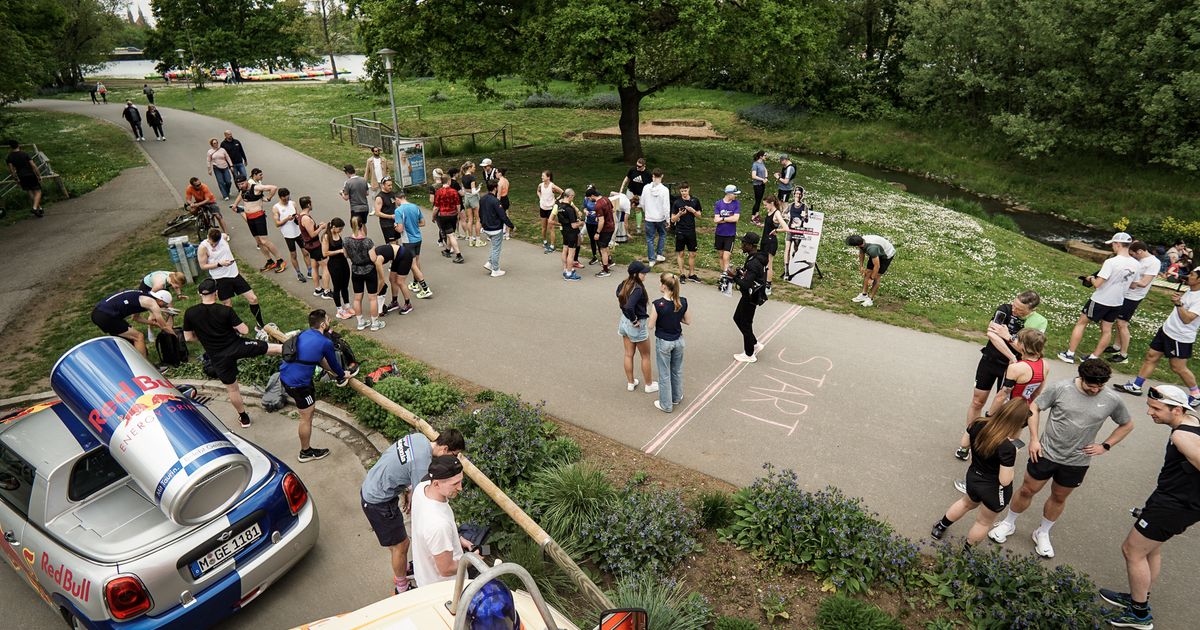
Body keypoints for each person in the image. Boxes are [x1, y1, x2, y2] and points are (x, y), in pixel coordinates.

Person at [987, 359, 1134, 558]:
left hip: (1077, 461)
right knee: (1028, 490)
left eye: (1100, 386)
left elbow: (1127, 424)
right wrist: (1034, 439)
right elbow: (1034, 408)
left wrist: (1105, 445)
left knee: (1059, 497)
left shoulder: (1112, 399)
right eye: (1091, 385)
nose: (1095, 390)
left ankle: (1042, 532)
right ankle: (1008, 523)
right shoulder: (1061, 388)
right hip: (1045, 453)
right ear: (1081, 377)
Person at [1099, 385, 1200, 630]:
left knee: (1132, 550)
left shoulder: (1181, 436)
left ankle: (1140, 614)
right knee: (1150, 550)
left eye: (1156, 408)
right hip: (1172, 500)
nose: (1149, 412)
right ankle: (1139, 596)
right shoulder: (1193, 422)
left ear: (1177, 410)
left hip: (1174, 505)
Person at [361, 430, 467, 594]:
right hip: (378, 501)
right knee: (400, 546)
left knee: (400, 544)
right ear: (445, 449)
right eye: (454, 455)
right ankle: (401, 587)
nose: (453, 459)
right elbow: (423, 501)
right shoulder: (422, 464)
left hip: (373, 484)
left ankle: (405, 567)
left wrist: (408, 490)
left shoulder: (419, 439)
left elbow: (406, 466)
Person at [183, 278, 282, 428]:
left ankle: (244, 418)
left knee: (232, 389)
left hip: (218, 356)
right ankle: (300, 359)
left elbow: (188, 337)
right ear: (216, 292)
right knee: (273, 348)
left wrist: (203, 336)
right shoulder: (225, 310)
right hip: (238, 346)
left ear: (199, 293)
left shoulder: (190, 313)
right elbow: (245, 330)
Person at [957, 291, 1043, 460]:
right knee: (977, 401)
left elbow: (1030, 349)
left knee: (1002, 407)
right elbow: (992, 335)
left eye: (1019, 309)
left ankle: (990, 445)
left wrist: (1007, 337)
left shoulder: (1037, 322)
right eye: (1014, 305)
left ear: (1032, 310)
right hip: (991, 361)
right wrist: (1012, 355)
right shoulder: (1004, 310)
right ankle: (970, 441)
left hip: (1013, 370)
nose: (1014, 310)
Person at [931, 398, 1030, 544]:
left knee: (965, 503)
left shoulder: (978, 423)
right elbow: (1005, 480)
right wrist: (1012, 456)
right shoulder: (1007, 448)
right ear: (1018, 424)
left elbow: (964, 443)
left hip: (974, 477)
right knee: (983, 522)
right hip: (993, 489)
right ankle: (966, 551)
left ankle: (940, 526)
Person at [1114, 267, 1200, 407]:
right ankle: (1136, 386)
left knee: (1177, 367)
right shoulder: (1191, 290)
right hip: (1166, 330)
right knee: (1151, 356)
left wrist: (1178, 304)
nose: (1188, 276)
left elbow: (1187, 319)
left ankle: (1196, 394)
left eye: (1192, 274)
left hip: (1180, 337)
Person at [1058, 232, 1140, 364]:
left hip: (1100, 299)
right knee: (1107, 330)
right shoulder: (1136, 264)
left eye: (1113, 244)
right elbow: (1134, 285)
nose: (1112, 247)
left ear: (1118, 244)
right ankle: (1094, 357)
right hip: (1117, 302)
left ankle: (1070, 354)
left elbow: (1097, 284)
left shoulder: (1111, 262)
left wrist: (1091, 278)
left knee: (1081, 323)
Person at [279, 309, 349, 462]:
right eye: (328, 320)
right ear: (323, 324)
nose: (329, 322)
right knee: (306, 417)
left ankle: (306, 450)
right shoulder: (325, 342)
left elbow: (320, 359)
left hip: (286, 375)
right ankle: (305, 452)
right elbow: (333, 364)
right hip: (299, 385)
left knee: (307, 413)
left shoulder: (305, 334)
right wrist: (343, 374)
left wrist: (337, 373)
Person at [410, 455, 474, 587]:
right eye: (455, 484)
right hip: (445, 588)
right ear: (436, 484)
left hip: (424, 576)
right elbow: (446, 570)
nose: (460, 488)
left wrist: (457, 539)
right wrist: (473, 559)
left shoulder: (421, 488)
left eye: (460, 481)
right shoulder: (439, 525)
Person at [197, 228, 268, 333]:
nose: (214, 245)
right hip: (220, 278)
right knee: (228, 305)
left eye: (216, 243)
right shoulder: (203, 247)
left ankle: (260, 325)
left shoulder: (223, 237)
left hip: (234, 274)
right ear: (208, 237)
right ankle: (231, 329)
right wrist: (219, 264)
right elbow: (203, 266)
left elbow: (225, 236)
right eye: (212, 244)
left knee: (253, 298)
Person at [1108, 241, 1165, 364]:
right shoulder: (1139, 260)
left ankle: (1123, 355)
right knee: (1118, 321)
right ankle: (1116, 347)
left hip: (1133, 297)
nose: (1133, 257)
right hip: (1125, 293)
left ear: (1140, 251)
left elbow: (1144, 283)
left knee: (1122, 323)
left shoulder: (1154, 262)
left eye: (1133, 254)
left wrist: (1126, 278)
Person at [90, 288, 175, 358]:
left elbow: (135, 318)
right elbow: (165, 327)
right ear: (160, 300)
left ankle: (135, 364)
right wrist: (175, 336)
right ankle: (144, 368)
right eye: (164, 304)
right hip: (106, 315)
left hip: (99, 313)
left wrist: (153, 323)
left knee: (130, 342)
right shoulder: (152, 302)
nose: (163, 307)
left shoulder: (143, 296)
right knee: (138, 337)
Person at [649, 272, 690, 413]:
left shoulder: (658, 304)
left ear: (664, 287)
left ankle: (666, 404)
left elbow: (651, 325)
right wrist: (675, 317)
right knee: (676, 370)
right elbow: (688, 321)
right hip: (678, 340)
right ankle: (676, 397)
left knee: (664, 373)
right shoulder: (682, 301)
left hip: (664, 341)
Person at [230, 171, 286, 272]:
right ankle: (269, 261)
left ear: (246, 181)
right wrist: (235, 204)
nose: (241, 186)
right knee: (259, 242)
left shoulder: (255, 188)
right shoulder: (243, 190)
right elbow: (241, 195)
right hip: (250, 218)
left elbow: (273, 188)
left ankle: (280, 260)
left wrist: (269, 198)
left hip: (258, 217)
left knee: (264, 241)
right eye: (239, 184)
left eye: (242, 183)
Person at [618, 261, 657, 392]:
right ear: (635, 274)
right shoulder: (638, 289)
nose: (645, 275)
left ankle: (631, 383)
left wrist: (627, 314)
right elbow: (629, 306)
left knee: (628, 354)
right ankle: (649, 385)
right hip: (635, 324)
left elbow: (619, 297)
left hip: (624, 322)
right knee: (645, 356)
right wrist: (634, 320)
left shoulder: (624, 283)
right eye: (642, 273)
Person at [731, 233, 769, 363]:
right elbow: (752, 277)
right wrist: (741, 273)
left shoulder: (753, 263)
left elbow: (746, 284)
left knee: (746, 324)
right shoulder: (756, 257)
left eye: (744, 243)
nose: (742, 245)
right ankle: (754, 343)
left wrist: (734, 277)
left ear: (750, 245)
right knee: (737, 318)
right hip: (750, 295)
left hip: (751, 296)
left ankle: (749, 354)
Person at [344, 217, 384, 330]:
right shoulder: (367, 241)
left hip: (356, 270)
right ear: (362, 225)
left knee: (357, 298)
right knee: (372, 298)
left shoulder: (346, 241)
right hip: (369, 270)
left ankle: (360, 322)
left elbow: (346, 255)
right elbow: (373, 258)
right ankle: (375, 322)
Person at [394, 191, 432, 298]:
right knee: (416, 261)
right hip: (418, 238)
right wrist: (413, 225)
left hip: (408, 240)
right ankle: (415, 283)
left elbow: (400, 229)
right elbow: (423, 223)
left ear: (397, 199)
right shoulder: (415, 207)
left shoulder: (398, 210)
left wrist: (395, 226)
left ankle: (425, 288)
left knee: (412, 264)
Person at [847, 234, 896, 308]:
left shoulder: (872, 249)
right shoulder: (862, 241)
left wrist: (871, 278)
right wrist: (861, 266)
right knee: (867, 272)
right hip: (877, 251)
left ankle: (870, 299)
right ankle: (864, 295)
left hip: (886, 255)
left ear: (857, 245)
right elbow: (862, 252)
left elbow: (877, 266)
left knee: (877, 276)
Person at [272, 188, 309, 283]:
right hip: (288, 235)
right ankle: (299, 273)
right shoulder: (276, 208)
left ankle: (310, 271)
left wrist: (297, 217)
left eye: (288, 197)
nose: (286, 200)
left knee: (306, 252)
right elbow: (277, 224)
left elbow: (298, 215)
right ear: (280, 197)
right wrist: (286, 219)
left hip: (298, 232)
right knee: (293, 254)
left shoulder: (293, 203)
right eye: (284, 198)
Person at [480, 180, 513, 277]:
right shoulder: (495, 201)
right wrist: (511, 226)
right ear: (495, 188)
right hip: (495, 228)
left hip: (486, 227)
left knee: (494, 247)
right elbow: (503, 215)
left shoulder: (482, 199)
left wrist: (482, 224)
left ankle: (490, 263)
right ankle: (495, 270)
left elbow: (480, 213)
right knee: (496, 249)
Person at [372, 241, 414, 317]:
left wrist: (377, 294)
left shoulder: (377, 260)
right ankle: (395, 302)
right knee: (392, 279)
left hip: (405, 255)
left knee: (400, 281)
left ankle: (408, 304)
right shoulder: (372, 256)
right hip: (396, 257)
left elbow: (382, 280)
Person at [298, 196, 329, 299]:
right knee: (325, 266)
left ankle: (318, 289)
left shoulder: (302, 216)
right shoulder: (306, 218)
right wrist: (321, 227)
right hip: (314, 245)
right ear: (308, 204)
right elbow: (312, 234)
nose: (312, 205)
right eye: (311, 203)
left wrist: (317, 226)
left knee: (315, 266)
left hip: (310, 246)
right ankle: (326, 291)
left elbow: (309, 231)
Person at [671, 182, 702, 283]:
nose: (684, 193)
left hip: (691, 231)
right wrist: (679, 214)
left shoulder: (695, 200)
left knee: (692, 253)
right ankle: (682, 274)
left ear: (689, 189)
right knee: (681, 253)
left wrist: (693, 211)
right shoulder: (677, 202)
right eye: (682, 191)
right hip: (680, 230)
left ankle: (691, 274)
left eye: (685, 190)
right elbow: (673, 219)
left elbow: (700, 216)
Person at [322, 218, 353, 319]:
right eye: (339, 229)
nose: (341, 231)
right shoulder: (326, 237)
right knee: (337, 287)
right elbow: (325, 253)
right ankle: (339, 309)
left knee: (345, 285)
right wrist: (339, 251)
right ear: (334, 227)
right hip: (334, 264)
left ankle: (347, 305)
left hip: (343, 262)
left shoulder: (338, 234)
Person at [714, 185, 741, 292]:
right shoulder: (718, 203)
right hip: (720, 234)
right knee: (721, 255)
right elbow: (716, 219)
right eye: (734, 194)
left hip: (730, 234)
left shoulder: (736, 203)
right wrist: (728, 218)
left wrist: (723, 218)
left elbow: (736, 218)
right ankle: (724, 274)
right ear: (729, 194)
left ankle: (726, 274)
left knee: (726, 256)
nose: (735, 196)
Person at [6, 140, 43, 217]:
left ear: (10, 147)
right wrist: (39, 175)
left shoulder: (9, 157)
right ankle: (34, 208)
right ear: (18, 145)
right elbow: (33, 165)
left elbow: (11, 170)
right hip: (30, 175)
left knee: (30, 192)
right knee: (38, 191)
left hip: (21, 176)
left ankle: (39, 208)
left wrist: (16, 179)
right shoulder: (25, 154)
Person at [641, 169, 670, 266]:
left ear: (653, 176)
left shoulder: (646, 188)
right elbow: (666, 206)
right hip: (660, 217)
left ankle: (651, 260)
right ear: (662, 176)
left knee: (650, 239)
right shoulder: (665, 190)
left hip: (649, 217)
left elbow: (642, 203)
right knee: (662, 234)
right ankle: (659, 254)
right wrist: (668, 219)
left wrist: (646, 212)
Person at [759, 195, 785, 293]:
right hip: (764, 240)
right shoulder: (769, 212)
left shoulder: (777, 213)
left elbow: (786, 228)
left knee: (769, 264)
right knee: (763, 263)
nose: (764, 206)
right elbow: (769, 224)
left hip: (771, 242)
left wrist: (776, 230)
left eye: (766, 205)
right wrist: (763, 225)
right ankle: (763, 282)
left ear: (772, 203)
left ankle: (768, 286)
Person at [556, 188, 583, 281]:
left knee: (565, 249)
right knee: (571, 253)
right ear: (570, 196)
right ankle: (569, 273)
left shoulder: (559, 206)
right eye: (573, 196)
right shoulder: (569, 209)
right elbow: (574, 225)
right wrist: (581, 223)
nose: (573, 198)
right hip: (572, 232)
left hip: (564, 231)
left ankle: (566, 269)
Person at [783, 189, 809, 276]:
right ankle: (786, 271)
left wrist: (805, 217)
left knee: (796, 247)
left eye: (800, 194)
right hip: (790, 230)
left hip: (799, 230)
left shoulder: (804, 207)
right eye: (797, 194)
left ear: (802, 195)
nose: (798, 195)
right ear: (794, 194)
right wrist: (787, 216)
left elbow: (806, 220)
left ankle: (795, 252)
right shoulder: (791, 206)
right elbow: (784, 214)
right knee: (787, 249)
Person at [591, 188, 616, 278]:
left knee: (603, 249)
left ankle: (605, 270)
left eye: (589, 197)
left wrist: (597, 233)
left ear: (592, 196)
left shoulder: (598, 205)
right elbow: (612, 210)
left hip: (605, 229)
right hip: (611, 226)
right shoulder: (606, 199)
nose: (589, 199)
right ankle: (609, 261)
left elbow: (601, 221)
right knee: (605, 246)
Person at [536, 170, 562, 253]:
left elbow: (562, 192)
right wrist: (540, 197)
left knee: (551, 228)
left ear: (548, 177)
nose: (541, 177)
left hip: (550, 209)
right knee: (544, 227)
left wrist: (557, 199)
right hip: (542, 208)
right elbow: (538, 191)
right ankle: (545, 242)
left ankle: (552, 246)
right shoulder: (540, 185)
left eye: (543, 176)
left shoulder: (552, 186)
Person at [373, 176, 400, 244]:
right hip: (386, 224)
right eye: (388, 185)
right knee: (392, 243)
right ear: (383, 185)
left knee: (396, 241)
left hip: (395, 222)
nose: (391, 187)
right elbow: (377, 213)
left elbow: (395, 205)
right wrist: (390, 216)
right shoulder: (379, 197)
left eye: (391, 185)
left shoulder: (392, 193)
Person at [461, 161, 482, 247]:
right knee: (477, 219)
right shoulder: (472, 177)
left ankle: (470, 240)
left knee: (470, 219)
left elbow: (464, 189)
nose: (475, 168)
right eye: (473, 167)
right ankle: (478, 240)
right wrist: (479, 189)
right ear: (469, 168)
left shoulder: (463, 177)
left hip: (466, 198)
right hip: (473, 198)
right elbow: (473, 191)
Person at [749, 151, 769, 225]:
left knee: (759, 200)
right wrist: (762, 179)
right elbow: (753, 176)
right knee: (757, 201)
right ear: (761, 156)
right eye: (765, 155)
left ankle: (757, 215)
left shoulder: (762, 163)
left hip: (762, 184)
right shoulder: (755, 164)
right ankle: (753, 217)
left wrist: (766, 177)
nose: (766, 157)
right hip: (757, 185)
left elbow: (765, 170)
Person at [496, 168, 512, 239]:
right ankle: (507, 234)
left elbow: (498, 195)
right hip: (506, 199)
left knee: (500, 216)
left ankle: (501, 232)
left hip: (501, 200)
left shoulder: (500, 183)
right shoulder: (506, 181)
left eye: (496, 172)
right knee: (507, 216)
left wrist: (496, 203)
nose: (495, 174)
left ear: (500, 173)